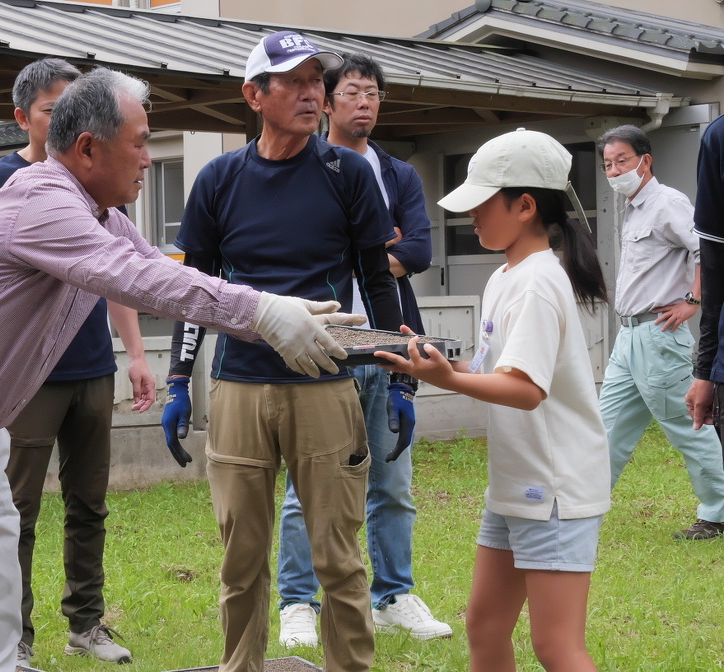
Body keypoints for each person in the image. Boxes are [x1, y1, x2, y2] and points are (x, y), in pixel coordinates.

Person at [0, 67, 364, 672]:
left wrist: (275, 314)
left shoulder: (103, 216)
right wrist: (262, 311)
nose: (146, 159)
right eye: (140, 143)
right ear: (87, 148)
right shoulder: (42, 199)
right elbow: (137, 277)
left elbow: (167, 275)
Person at [160, 31, 403, 672]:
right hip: (239, 385)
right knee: (241, 558)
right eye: (293, 81)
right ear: (254, 96)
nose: (311, 93)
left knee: (338, 556)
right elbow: (195, 291)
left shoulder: (347, 174)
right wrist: (179, 378)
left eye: (316, 80)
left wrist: (399, 374)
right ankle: (240, 665)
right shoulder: (219, 179)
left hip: (325, 381)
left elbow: (377, 279)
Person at [0, 57, 153, 665]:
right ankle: (14, 635)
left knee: (89, 503)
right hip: (27, 377)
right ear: (23, 118)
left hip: (91, 367)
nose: (67, 117)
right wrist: (4, 299)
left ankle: (87, 624)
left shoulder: (100, 190)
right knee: (14, 510)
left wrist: (136, 354)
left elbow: (124, 272)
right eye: (53, 109)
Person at [377, 128, 610, 672]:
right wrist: (433, 363)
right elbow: (494, 372)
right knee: (484, 627)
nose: (471, 215)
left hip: (554, 488)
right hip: (516, 483)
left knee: (556, 646)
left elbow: (525, 391)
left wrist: (448, 380)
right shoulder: (506, 277)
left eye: (482, 202)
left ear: (525, 207)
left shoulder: (537, 282)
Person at [275, 51, 451, 648]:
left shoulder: (397, 174)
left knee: (393, 478)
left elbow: (418, 250)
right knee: (307, 483)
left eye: (373, 93)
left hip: (388, 340)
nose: (365, 103)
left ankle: (394, 595)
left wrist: (358, 256)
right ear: (328, 102)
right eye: (352, 92)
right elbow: (300, 255)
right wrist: (369, 252)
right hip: (322, 343)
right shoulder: (302, 167)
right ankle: (298, 602)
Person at [596, 124, 724, 541]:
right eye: (608, 165)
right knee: (606, 426)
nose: (615, 171)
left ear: (645, 160)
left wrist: (694, 299)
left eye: (622, 161)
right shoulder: (632, 208)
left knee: (690, 427)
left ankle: (718, 513)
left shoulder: (668, 202)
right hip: (628, 337)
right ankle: (582, 508)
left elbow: (706, 250)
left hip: (658, 335)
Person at [686, 114, 724, 445]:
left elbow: (709, 267)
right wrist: (705, 369)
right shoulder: (720, 137)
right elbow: (714, 266)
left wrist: (690, 300)